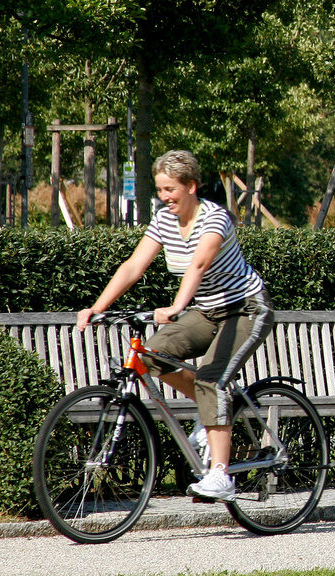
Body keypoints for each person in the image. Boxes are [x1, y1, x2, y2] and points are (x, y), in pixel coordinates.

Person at [75, 150, 272, 503]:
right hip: (208, 311)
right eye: (160, 190)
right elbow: (134, 265)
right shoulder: (164, 221)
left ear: (191, 186)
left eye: (171, 189)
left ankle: (221, 475)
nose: (165, 197)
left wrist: (178, 306)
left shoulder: (216, 218)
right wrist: (97, 307)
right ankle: (211, 409)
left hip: (246, 309)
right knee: (151, 356)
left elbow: (199, 263)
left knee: (212, 379)